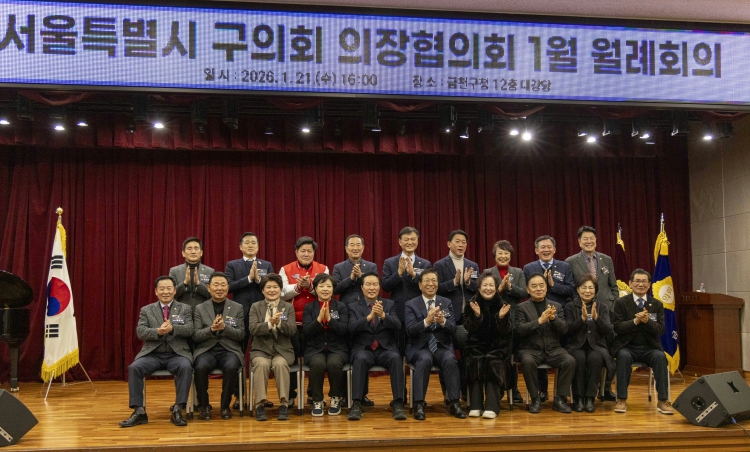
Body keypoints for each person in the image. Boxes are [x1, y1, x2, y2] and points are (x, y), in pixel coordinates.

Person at [119, 276, 194, 428]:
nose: (165, 292)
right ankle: (139, 412)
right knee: (134, 368)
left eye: (169, 288)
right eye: (162, 289)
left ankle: (178, 409)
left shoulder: (185, 309)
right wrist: (157, 332)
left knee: (186, 367)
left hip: (177, 353)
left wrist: (173, 329)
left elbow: (190, 329)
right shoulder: (146, 310)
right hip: (153, 354)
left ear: (174, 290)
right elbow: (140, 332)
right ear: (156, 291)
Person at [565, 226, 619, 402]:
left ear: (596, 241)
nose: (589, 241)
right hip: (581, 308)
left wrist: (612, 302)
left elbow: (613, 285)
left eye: (592, 238)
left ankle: (605, 388)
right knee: (583, 355)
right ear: (579, 242)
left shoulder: (606, 259)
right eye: (585, 239)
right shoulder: (571, 261)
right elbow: (570, 286)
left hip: (605, 311)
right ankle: (583, 395)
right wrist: (578, 305)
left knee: (605, 351)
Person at [405, 268, 466, 420]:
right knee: (424, 359)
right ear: (420, 285)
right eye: (427, 281)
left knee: (450, 359)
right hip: (420, 347)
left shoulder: (446, 302)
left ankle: (454, 402)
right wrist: (427, 321)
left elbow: (453, 328)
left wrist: (443, 321)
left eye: (434, 281)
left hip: (441, 346)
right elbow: (410, 331)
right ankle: (419, 404)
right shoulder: (411, 304)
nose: (431, 284)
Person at [611, 269, 674, 415]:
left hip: (649, 347)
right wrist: (635, 321)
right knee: (623, 357)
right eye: (637, 281)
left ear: (649, 284)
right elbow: (617, 328)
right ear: (630, 283)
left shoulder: (656, 304)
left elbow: (660, 330)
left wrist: (647, 322)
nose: (641, 284)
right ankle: (621, 399)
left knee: (660, 357)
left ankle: (663, 400)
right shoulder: (621, 303)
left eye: (644, 281)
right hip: (627, 346)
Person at [347, 272, 406, 421]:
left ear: (379, 287)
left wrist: (384, 316)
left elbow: (398, 326)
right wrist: (369, 318)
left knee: (396, 357)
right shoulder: (353, 306)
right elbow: (351, 328)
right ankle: (356, 403)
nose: (372, 288)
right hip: (364, 349)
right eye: (368, 284)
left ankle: (398, 402)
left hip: (385, 349)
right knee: (360, 359)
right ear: (362, 287)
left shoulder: (389, 304)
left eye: (375, 284)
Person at [224, 231, 274, 409]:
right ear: (240, 246)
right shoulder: (232, 265)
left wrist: (259, 280)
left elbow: (273, 286)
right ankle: (239, 396)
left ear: (258, 246)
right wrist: (248, 279)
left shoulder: (266, 265)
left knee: (263, 357)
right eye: (247, 242)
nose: (251, 245)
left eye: (254, 242)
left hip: (262, 315)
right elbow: (228, 286)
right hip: (240, 316)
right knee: (238, 357)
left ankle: (262, 397)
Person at [381, 226, 430, 404]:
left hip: (418, 316)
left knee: (418, 355)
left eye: (413, 239)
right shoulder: (390, 262)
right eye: (406, 239)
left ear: (417, 241)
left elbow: (429, 286)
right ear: (400, 242)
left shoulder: (425, 264)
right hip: (397, 315)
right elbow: (385, 286)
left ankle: (418, 397)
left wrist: (414, 275)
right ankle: (400, 396)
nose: (410, 242)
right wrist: (399, 273)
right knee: (398, 356)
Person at [522, 235, 574, 402]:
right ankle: (540, 392)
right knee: (535, 353)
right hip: (533, 313)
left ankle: (560, 397)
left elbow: (571, 290)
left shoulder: (564, 266)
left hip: (557, 312)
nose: (546, 250)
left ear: (554, 249)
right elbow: (525, 289)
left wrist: (552, 286)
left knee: (564, 357)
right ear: (536, 250)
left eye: (549, 247)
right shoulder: (528, 268)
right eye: (542, 247)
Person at [515, 273, 575, 414]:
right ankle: (535, 399)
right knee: (527, 362)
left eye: (542, 285)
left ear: (546, 288)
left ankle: (559, 399)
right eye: (534, 286)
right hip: (530, 349)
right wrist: (539, 321)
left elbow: (564, 330)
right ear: (528, 290)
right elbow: (520, 330)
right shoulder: (521, 307)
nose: (538, 289)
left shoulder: (556, 306)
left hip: (553, 349)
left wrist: (554, 319)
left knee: (569, 360)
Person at [279, 236, 329, 404]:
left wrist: (310, 287)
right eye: (303, 251)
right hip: (292, 322)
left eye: (309, 251)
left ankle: (312, 394)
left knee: (314, 359)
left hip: (315, 322)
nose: (306, 254)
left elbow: (326, 290)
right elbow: (281, 292)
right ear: (296, 252)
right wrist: (298, 287)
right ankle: (290, 394)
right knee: (291, 358)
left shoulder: (323, 269)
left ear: (314, 252)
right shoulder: (286, 269)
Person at [192, 272, 245, 421]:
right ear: (208, 288)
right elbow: (195, 335)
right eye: (216, 285)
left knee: (231, 367)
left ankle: (225, 406)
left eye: (223, 285)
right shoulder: (200, 308)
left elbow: (241, 334)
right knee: (200, 367)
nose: (219, 288)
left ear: (228, 287)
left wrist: (225, 328)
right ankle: (204, 406)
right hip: (206, 349)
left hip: (229, 350)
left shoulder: (237, 307)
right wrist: (211, 329)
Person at [463, 271, 513, 419]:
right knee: (476, 360)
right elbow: (467, 327)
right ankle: (476, 405)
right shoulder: (471, 304)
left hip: (498, 347)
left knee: (492, 362)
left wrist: (501, 318)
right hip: (476, 345)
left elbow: (507, 331)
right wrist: (477, 316)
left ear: (496, 287)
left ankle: (492, 406)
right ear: (479, 288)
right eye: (485, 285)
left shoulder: (503, 305)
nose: (488, 288)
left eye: (491, 285)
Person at [248, 273, 297, 421]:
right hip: (261, 350)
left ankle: (284, 404)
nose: (272, 290)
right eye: (268, 287)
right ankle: (260, 405)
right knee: (262, 365)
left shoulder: (288, 307)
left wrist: (279, 323)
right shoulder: (255, 307)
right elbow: (253, 329)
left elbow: (292, 330)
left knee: (280, 364)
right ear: (262, 290)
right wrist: (269, 323)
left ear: (280, 289)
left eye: (275, 287)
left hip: (282, 351)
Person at [564, 274, 615, 413]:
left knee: (595, 359)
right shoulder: (570, 306)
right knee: (578, 359)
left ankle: (590, 398)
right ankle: (578, 398)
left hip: (597, 346)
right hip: (576, 345)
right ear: (578, 289)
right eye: (584, 287)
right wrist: (581, 319)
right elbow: (567, 330)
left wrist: (597, 319)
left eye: (591, 288)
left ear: (595, 290)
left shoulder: (602, 307)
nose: (587, 291)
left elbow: (608, 330)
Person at [484, 240, 527, 404]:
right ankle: (498, 389)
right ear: (494, 255)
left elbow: (524, 292)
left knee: (511, 358)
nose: (503, 256)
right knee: (497, 356)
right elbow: (483, 294)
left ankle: (513, 390)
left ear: (511, 255)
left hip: (514, 320)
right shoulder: (488, 272)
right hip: (494, 320)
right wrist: (499, 289)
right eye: (500, 253)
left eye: (506, 253)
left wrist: (509, 287)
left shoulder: (518, 272)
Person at [302, 274, 349, 416]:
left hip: (337, 348)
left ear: (333, 289)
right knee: (318, 364)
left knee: (334, 364)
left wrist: (329, 319)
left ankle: (335, 398)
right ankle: (317, 400)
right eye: (321, 286)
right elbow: (306, 332)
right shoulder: (309, 307)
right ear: (315, 289)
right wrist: (318, 320)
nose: (325, 289)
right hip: (315, 348)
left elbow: (344, 330)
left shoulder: (341, 306)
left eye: (329, 286)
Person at [434, 229, 478, 325]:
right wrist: (454, 282)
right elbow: (437, 288)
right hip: (449, 311)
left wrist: (468, 282)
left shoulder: (472, 265)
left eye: (463, 242)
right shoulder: (439, 265)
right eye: (457, 241)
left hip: (469, 312)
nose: (461, 245)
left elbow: (477, 288)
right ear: (449, 244)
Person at [169, 237, 215, 312]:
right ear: (183, 253)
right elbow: (170, 294)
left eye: (196, 248)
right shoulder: (174, 271)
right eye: (189, 248)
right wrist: (184, 283)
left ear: (201, 252)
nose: (193, 252)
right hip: (180, 312)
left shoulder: (210, 271)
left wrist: (199, 284)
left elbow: (213, 294)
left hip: (204, 312)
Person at [332, 234, 378, 304]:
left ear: (363, 248)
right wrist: (351, 278)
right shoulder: (338, 267)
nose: (355, 248)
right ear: (346, 249)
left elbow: (376, 286)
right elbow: (335, 290)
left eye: (358, 245)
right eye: (352, 245)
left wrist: (361, 276)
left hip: (367, 305)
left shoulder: (371, 266)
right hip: (346, 306)